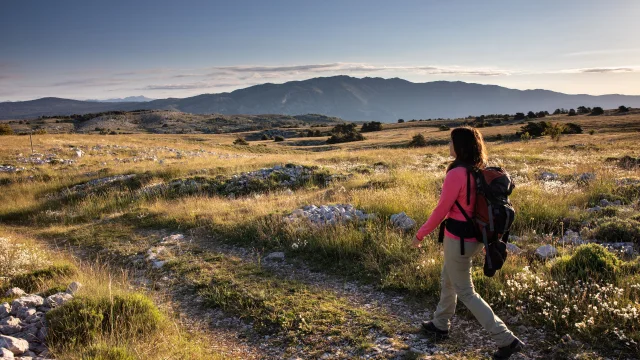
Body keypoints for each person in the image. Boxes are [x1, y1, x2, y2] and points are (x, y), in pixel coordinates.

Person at [411, 127, 524, 360]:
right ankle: (440, 324)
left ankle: (506, 339)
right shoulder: (477, 170)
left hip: (458, 240)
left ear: (460, 146)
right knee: (448, 278)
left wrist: (420, 234)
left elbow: (442, 209)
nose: (448, 146)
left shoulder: (456, 173)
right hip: (475, 238)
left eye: (451, 142)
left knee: (466, 291)